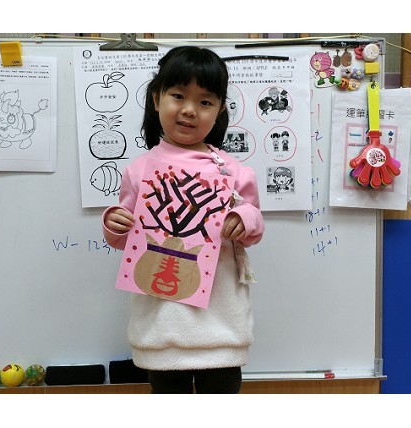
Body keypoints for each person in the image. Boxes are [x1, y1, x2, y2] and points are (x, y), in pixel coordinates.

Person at [102, 46, 264, 394]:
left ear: (219, 110)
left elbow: (253, 228)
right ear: (156, 99)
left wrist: (244, 218)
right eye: (178, 96)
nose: (190, 109)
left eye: (205, 102)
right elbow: (125, 239)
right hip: (162, 324)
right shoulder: (139, 170)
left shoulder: (233, 171)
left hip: (220, 323)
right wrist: (114, 222)